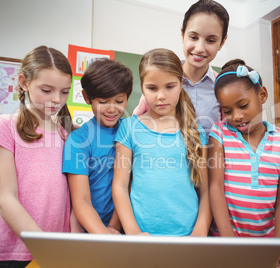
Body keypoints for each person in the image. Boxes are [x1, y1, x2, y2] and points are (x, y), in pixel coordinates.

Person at [0, 46, 79, 267]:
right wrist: (45, 248)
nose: (57, 99)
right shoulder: (4, 126)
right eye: (47, 90)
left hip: (59, 246)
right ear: (24, 82)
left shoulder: (66, 133)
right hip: (17, 252)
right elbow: (6, 199)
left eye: (64, 92)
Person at [208, 59, 280, 267]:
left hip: (265, 245)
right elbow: (215, 188)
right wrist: (229, 243)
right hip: (224, 241)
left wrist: (279, 248)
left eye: (243, 105)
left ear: (262, 95)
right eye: (227, 111)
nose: (237, 116)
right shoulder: (219, 134)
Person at [112, 48, 212, 236]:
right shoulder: (129, 128)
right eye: (152, 88)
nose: (161, 96)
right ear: (142, 87)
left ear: (181, 84)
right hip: (141, 237)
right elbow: (119, 186)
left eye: (169, 86)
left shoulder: (195, 131)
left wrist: (200, 231)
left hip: (188, 235)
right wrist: (133, 233)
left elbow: (206, 191)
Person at [133, 0, 229, 137]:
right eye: (194, 37)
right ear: (183, 34)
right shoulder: (160, 82)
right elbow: (138, 125)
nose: (199, 48)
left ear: (222, 42)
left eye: (211, 40)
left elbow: (229, 137)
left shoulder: (223, 87)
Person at [62, 58, 133, 234]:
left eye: (119, 101)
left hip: (125, 225)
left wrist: (114, 227)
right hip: (91, 229)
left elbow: (129, 183)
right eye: (103, 102)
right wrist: (103, 234)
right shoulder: (78, 140)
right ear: (87, 97)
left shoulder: (131, 131)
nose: (112, 109)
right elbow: (81, 200)